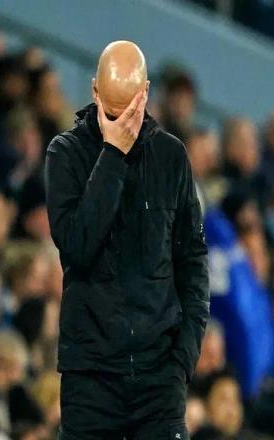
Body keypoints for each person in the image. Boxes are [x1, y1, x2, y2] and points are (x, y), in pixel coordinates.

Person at [45, 40, 209, 439]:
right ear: (94, 91)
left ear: (146, 93)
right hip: (90, 378)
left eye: (130, 110)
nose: (120, 122)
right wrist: (113, 154)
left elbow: (193, 261)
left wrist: (183, 358)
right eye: (111, 111)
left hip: (159, 379)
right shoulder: (65, 154)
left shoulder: (171, 157)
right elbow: (78, 248)